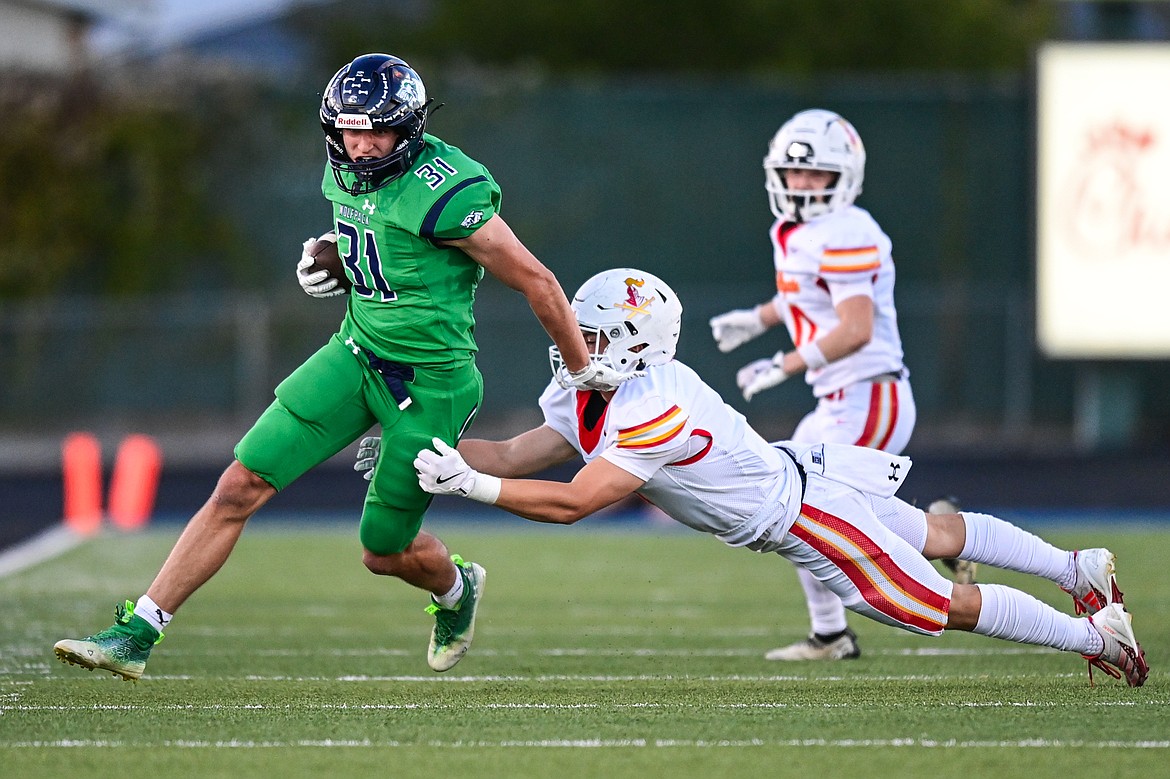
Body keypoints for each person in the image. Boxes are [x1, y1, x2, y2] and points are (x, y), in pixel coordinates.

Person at [52, 53, 635, 682]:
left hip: (431, 381)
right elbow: (372, 232)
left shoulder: (448, 191)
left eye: (374, 132)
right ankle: (138, 632)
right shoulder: (346, 167)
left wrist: (581, 371)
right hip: (353, 354)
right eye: (347, 132)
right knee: (238, 485)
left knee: (383, 551)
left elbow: (539, 282)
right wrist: (334, 256)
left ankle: (456, 588)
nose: (358, 147)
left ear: (408, 128)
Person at [393, 267, 1148, 687]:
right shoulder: (587, 387)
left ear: (630, 342)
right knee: (937, 531)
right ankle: (1077, 567)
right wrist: (427, 451)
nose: (569, 344)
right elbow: (518, 455)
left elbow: (574, 504)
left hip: (804, 516)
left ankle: (1096, 634)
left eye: (585, 334)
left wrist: (470, 486)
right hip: (802, 472)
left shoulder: (653, 401)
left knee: (938, 601)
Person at [708, 108, 974, 662]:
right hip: (841, 397)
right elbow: (806, 293)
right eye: (795, 172)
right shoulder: (797, 230)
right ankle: (832, 632)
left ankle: (942, 538)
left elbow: (854, 328)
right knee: (795, 499)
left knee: (810, 505)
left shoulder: (851, 230)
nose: (803, 184)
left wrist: (781, 364)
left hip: (869, 392)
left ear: (844, 176)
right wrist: (758, 318)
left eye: (817, 175)